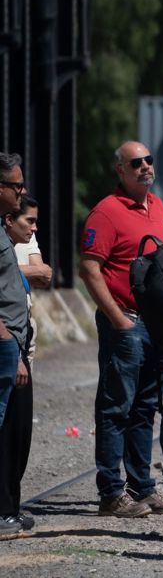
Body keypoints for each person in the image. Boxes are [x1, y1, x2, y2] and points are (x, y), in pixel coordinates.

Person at [77, 141, 163, 518]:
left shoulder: (158, 206)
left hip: (158, 325)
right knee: (116, 407)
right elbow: (89, 268)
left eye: (150, 160)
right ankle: (111, 493)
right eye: (137, 163)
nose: (146, 167)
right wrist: (118, 318)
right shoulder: (106, 212)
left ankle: (143, 488)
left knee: (145, 409)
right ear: (120, 170)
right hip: (128, 322)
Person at [0, 155, 32, 540]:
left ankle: (9, 506)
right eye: (16, 186)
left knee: (17, 430)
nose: (22, 192)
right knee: (5, 431)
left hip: (14, 344)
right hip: (5, 343)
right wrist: (8, 340)